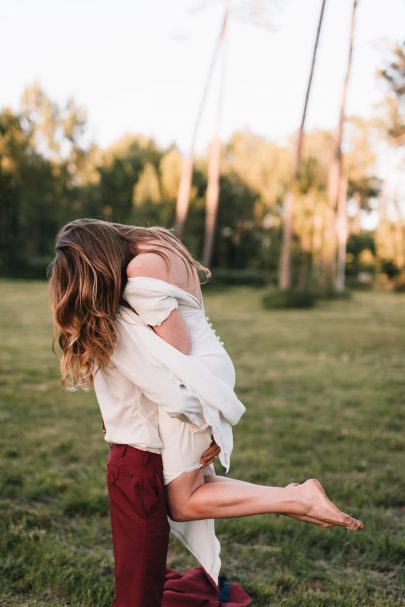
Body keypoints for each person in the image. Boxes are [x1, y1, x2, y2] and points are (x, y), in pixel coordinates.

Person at [47, 218, 364, 607]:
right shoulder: (159, 247)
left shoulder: (140, 267)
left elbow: (176, 347)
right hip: (205, 371)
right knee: (188, 494)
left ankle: (295, 499)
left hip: (192, 378)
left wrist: (203, 412)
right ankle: (295, 496)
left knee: (182, 502)